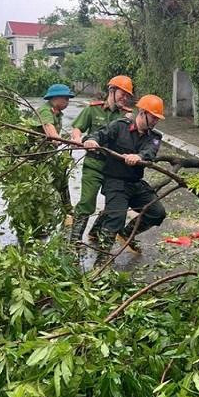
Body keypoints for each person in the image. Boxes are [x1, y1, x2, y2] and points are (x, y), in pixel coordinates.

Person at [82, 95, 168, 261]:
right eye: (153, 117)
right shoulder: (119, 126)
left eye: (158, 118)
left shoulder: (155, 137)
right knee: (116, 218)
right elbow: (100, 134)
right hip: (115, 182)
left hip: (135, 184)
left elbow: (149, 153)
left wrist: (138, 156)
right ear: (142, 112)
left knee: (157, 212)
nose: (156, 121)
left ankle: (126, 234)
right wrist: (91, 140)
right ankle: (102, 262)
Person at [68, 75, 134, 246]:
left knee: (114, 204)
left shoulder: (127, 116)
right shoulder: (93, 109)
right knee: (87, 203)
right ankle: (73, 243)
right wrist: (77, 138)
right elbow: (77, 128)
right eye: (122, 94)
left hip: (114, 169)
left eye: (128, 95)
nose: (125, 98)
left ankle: (95, 232)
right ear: (111, 91)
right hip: (94, 165)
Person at [35, 84, 76, 222]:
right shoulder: (45, 111)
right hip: (35, 156)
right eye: (65, 98)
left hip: (48, 154)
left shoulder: (57, 113)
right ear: (55, 98)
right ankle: (40, 220)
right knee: (41, 186)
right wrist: (60, 140)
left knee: (61, 178)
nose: (67, 101)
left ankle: (68, 210)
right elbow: (51, 132)